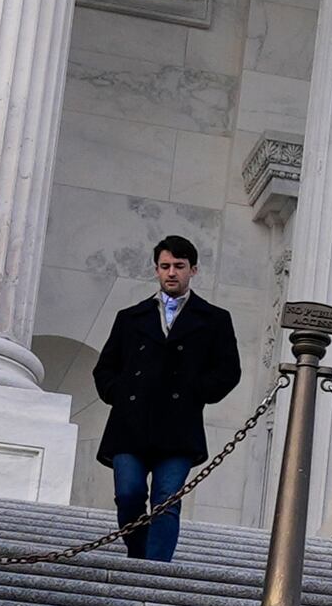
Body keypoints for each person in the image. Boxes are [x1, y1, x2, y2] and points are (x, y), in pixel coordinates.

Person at [89, 235, 243, 562]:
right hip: (130, 424)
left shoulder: (215, 319)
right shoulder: (130, 317)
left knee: (166, 500)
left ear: (193, 270)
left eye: (179, 266)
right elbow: (105, 368)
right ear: (157, 270)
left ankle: (155, 569)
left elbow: (229, 370)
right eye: (165, 266)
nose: (171, 272)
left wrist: (195, 393)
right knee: (129, 495)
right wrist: (120, 393)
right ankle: (139, 553)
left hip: (179, 426)